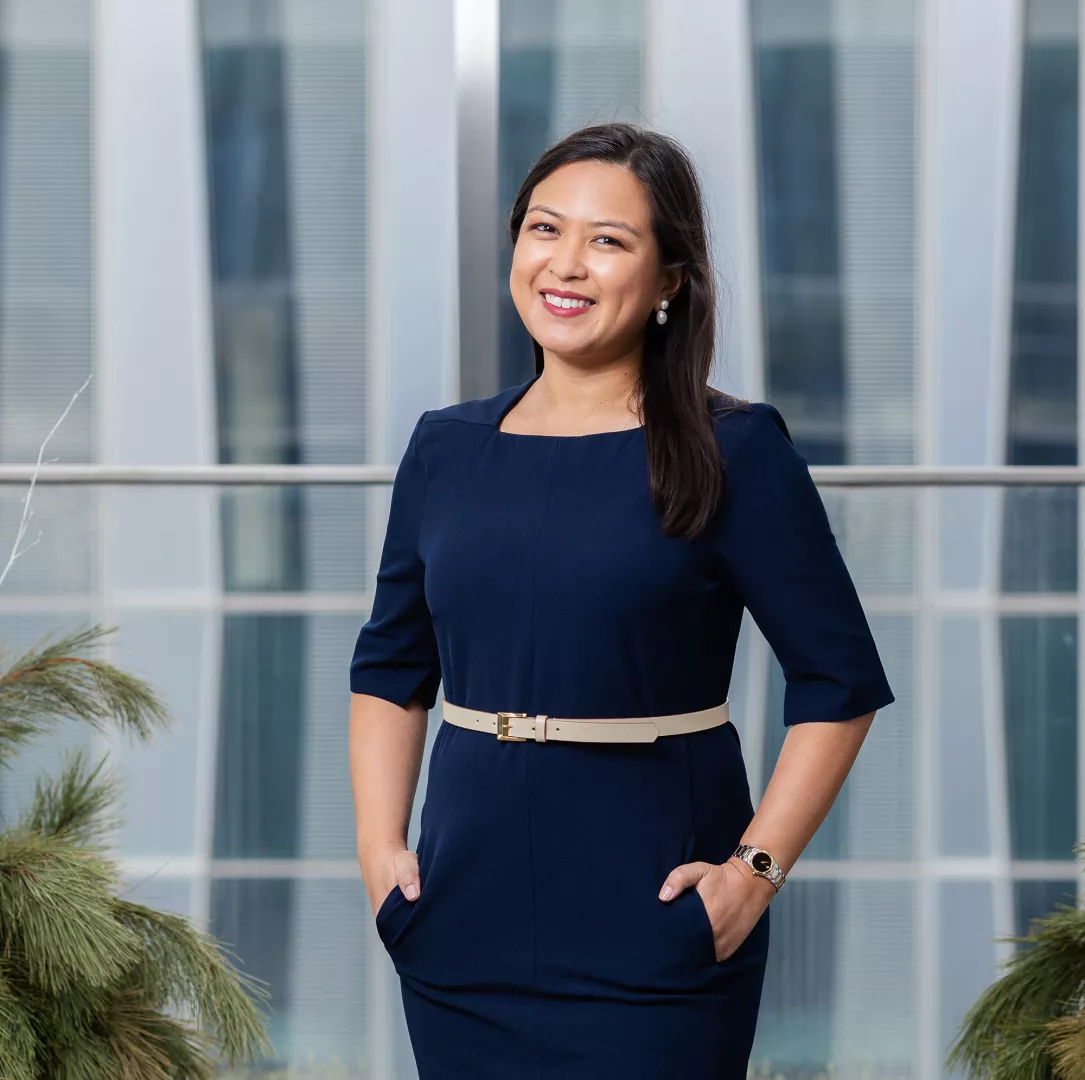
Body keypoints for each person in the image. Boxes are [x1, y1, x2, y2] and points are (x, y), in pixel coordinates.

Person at [348, 121, 894, 1079]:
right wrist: (379, 851)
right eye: (543, 230)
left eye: (609, 240)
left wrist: (752, 876)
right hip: (461, 915)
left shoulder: (737, 450)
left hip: (657, 917)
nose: (565, 264)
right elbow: (390, 668)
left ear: (670, 279)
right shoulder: (444, 448)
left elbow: (837, 681)